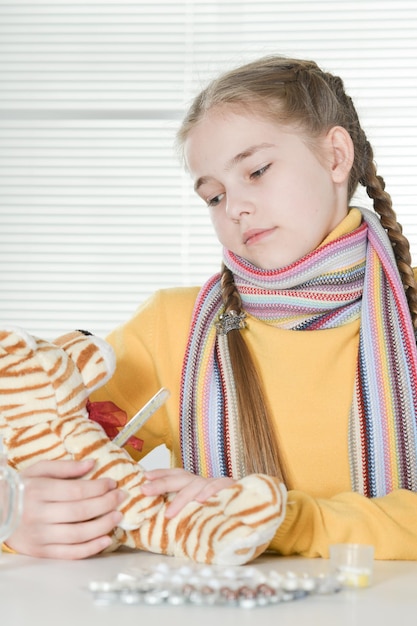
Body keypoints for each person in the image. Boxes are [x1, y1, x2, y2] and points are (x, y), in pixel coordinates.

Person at [4, 55, 417, 560]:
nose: (236, 207)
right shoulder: (169, 329)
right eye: (214, 196)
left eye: (257, 171)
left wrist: (285, 520)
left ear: (335, 155)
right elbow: (37, 434)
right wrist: (13, 512)